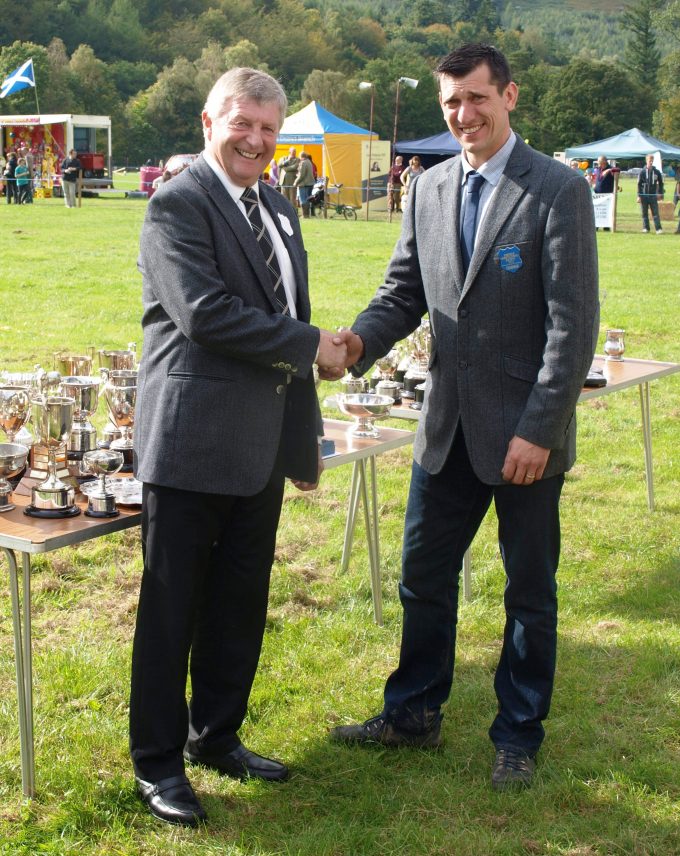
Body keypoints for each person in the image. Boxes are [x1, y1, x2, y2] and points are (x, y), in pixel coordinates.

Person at [328, 43, 599, 792]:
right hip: (445, 429)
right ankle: (412, 713)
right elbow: (401, 292)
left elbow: (573, 328)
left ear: (509, 96)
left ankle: (518, 732)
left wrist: (540, 429)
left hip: (523, 439)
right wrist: (351, 347)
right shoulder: (431, 187)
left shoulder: (556, 190)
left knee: (529, 592)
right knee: (422, 578)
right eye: (451, 103)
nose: (463, 115)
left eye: (477, 99)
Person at [130, 66, 347, 828]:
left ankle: (215, 737)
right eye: (242, 124)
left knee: (238, 606)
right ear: (208, 121)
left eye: (267, 128)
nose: (255, 140)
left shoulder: (278, 204)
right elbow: (206, 314)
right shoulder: (176, 204)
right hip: (190, 442)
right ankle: (157, 765)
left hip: (258, 445)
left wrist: (304, 434)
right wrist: (311, 344)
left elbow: (288, 309)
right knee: (171, 612)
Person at [637, 153, 664, 234]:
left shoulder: (657, 172)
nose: (651, 162)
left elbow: (661, 183)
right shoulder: (642, 172)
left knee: (655, 213)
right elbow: (638, 184)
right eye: (650, 160)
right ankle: (646, 228)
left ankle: (658, 229)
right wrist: (639, 196)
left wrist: (660, 193)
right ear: (646, 161)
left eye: (652, 160)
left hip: (653, 196)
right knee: (644, 213)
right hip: (644, 196)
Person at [293, 151, 315, 217]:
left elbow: (301, 175)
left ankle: (305, 215)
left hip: (304, 184)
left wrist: (295, 182)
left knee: (303, 200)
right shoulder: (309, 162)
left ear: (301, 157)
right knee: (308, 199)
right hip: (310, 183)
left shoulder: (303, 163)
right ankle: (308, 214)